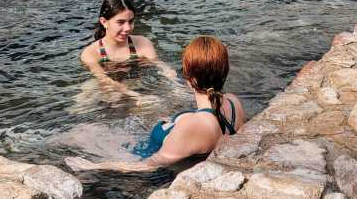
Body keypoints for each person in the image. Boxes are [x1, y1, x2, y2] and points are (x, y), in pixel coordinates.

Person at [66, 35, 245, 172]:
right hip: (179, 140)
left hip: (138, 156)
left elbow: (150, 165)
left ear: (189, 79)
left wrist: (94, 166)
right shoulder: (233, 102)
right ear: (225, 72)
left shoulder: (194, 125)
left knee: (75, 135)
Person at [77, 0, 165, 97]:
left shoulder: (143, 43)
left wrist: (172, 78)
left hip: (136, 83)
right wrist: (136, 96)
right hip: (104, 89)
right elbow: (103, 80)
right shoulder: (91, 53)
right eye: (120, 22)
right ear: (104, 22)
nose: (127, 28)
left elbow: (159, 64)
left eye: (131, 21)